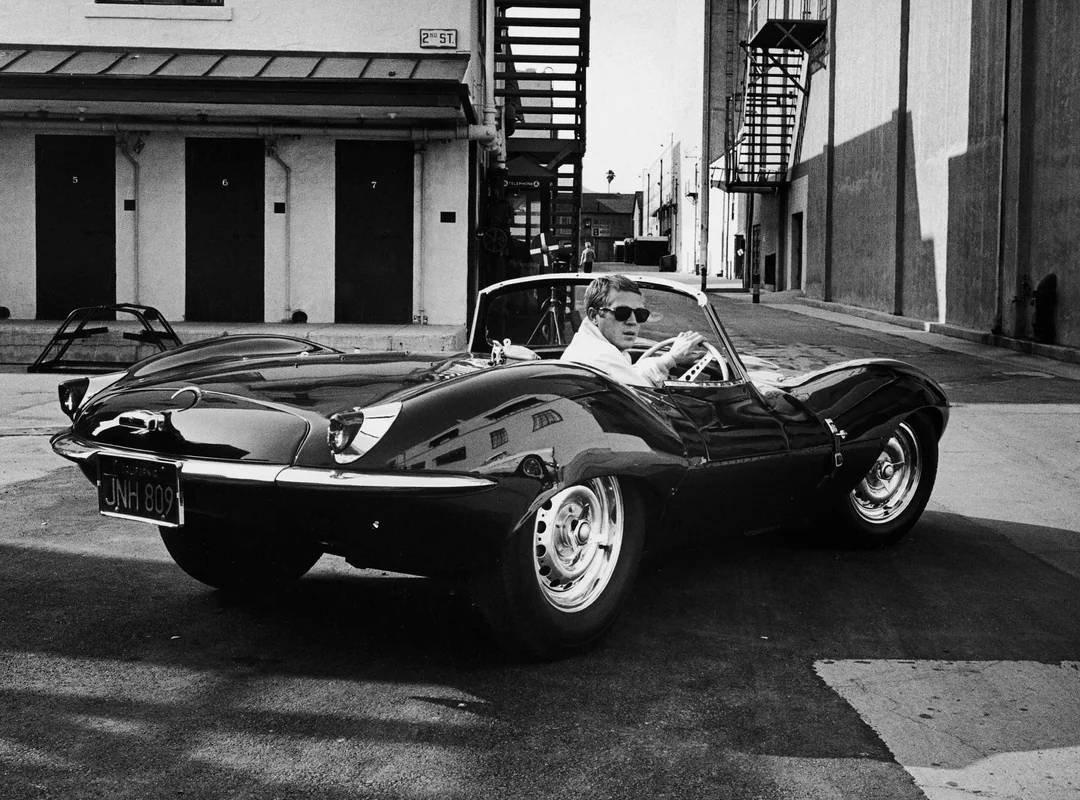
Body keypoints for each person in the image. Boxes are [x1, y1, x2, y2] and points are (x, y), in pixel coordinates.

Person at [561, 274, 704, 388]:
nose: (633, 321)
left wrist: (670, 359)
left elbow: (632, 375)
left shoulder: (589, 345)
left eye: (640, 314)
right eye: (622, 312)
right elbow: (648, 400)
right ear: (594, 316)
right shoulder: (601, 357)